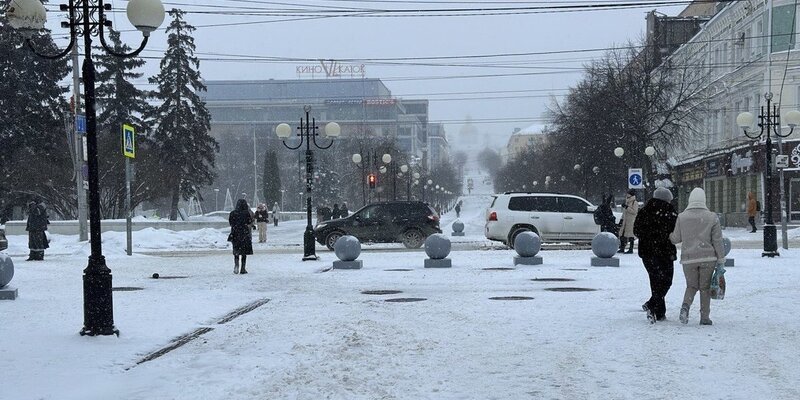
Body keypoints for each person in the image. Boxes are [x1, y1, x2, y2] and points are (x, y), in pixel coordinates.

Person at [670, 187, 725, 326]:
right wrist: (721, 259)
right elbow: (717, 241)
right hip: (708, 258)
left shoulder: (682, 217)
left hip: (688, 259)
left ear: (690, 200)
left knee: (691, 286)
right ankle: (704, 317)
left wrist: (668, 235)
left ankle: (685, 307)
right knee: (705, 288)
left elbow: (675, 239)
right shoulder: (712, 217)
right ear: (704, 200)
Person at [633, 187, 678, 323]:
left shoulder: (644, 211)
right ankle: (655, 308)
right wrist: (663, 236)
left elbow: (636, 230)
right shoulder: (670, 212)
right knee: (666, 281)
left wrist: (648, 237)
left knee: (655, 281)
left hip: (647, 252)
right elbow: (675, 232)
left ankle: (656, 309)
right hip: (665, 252)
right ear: (666, 199)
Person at [229, 199, 254, 274]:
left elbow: (231, 222)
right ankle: (243, 268)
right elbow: (249, 221)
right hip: (244, 233)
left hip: (235, 233)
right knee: (244, 252)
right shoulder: (246, 213)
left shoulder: (233, 213)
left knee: (236, 251)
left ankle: (236, 265)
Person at [618, 189, 639, 254]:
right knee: (622, 234)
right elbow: (624, 212)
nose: (627, 194)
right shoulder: (627, 202)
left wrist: (627, 207)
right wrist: (621, 219)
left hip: (630, 221)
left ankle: (630, 249)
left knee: (630, 235)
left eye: (628, 193)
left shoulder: (634, 202)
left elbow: (634, 212)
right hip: (625, 221)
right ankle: (622, 248)